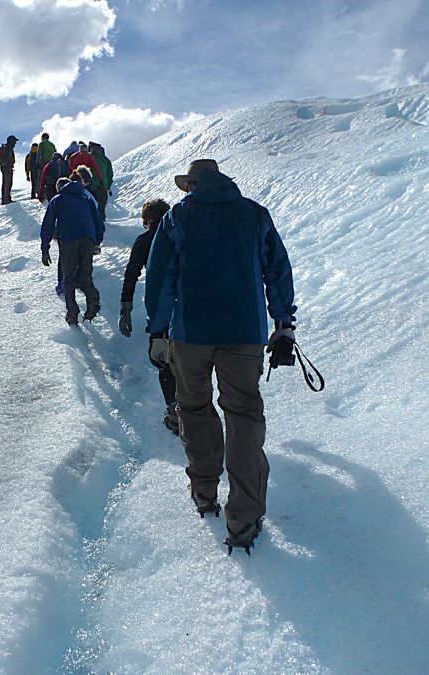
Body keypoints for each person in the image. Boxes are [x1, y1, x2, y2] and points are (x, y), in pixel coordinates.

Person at [144, 158, 297, 554]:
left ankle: (204, 492)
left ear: (192, 185)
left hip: (190, 334)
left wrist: (158, 331)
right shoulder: (253, 215)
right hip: (244, 333)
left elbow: (161, 278)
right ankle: (244, 521)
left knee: (193, 410)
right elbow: (277, 270)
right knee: (243, 416)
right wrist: (283, 322)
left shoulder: (177, 218)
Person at [119, 199, 178, 434]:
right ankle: (194, 411)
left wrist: (126, 306)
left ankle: (175, 413)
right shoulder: (181, 237)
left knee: (163, 359)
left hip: (159, 309)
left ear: (147, 221)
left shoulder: (144, 241)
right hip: (187, 307)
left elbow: (131, 273)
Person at [40, 169, 104, 325]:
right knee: (85, 275)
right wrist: (97, 241)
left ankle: (72, 314)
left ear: (59, 188)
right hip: (88, 239)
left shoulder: (57, 200)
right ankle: (93, 300)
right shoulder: (85, 198)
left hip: (69, 239)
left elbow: (48, 225)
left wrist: (45, 248)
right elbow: (98, 222)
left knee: (69, 278)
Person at [88, 142, 114, 219]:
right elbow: (110, 174)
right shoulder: (106, 160)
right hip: (103, 185)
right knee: (101, 206)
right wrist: (108, 186)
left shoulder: (90, 157)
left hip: (91, 184)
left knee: (92, 204)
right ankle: (102, 223)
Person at [0, 135, 18, 205]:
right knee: (7, 183)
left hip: (6, 167)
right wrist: (6, 164)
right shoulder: (8, 148)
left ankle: (6, 199)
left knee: (7, 183)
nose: (15, 143)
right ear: (11, 141)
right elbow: (9, 159)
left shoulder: (8, 148)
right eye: (14, 141)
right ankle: (6, 199)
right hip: (6, 168)